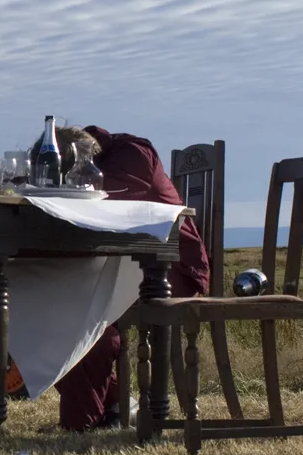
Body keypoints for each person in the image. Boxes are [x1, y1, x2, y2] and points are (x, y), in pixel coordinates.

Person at [31, 125, 210, 432]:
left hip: (172, 271)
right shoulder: (107, 159)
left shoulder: (134, 156)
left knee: (78, 313)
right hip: (125, 267)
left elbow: (93, 206)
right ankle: (112, 406)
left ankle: (83, 421)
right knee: (43, 302)